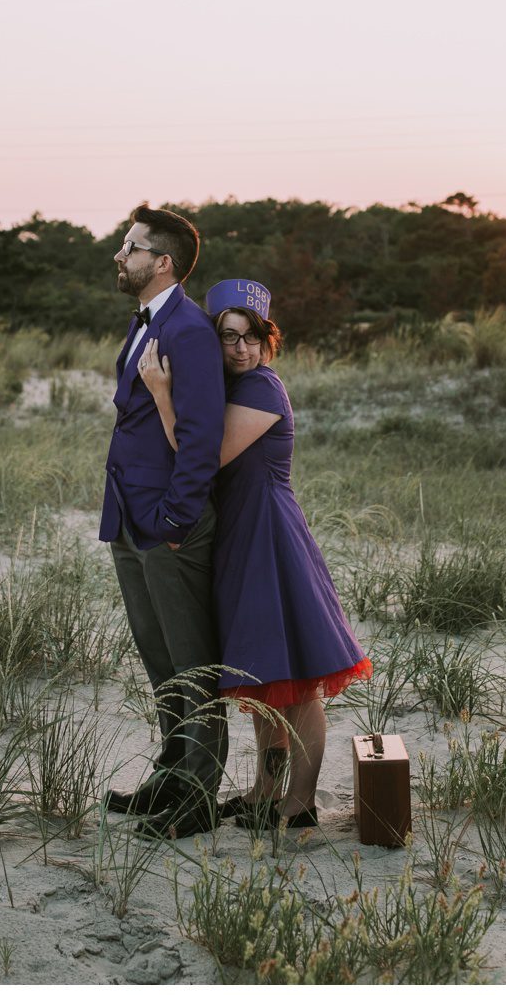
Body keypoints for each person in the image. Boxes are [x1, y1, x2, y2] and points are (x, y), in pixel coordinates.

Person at [137, 279, 370, 830]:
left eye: (251, 337)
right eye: (228, 337)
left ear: (267, 342)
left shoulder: (263, 388)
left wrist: (162, 394)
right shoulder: (235, 387)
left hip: (270, 537)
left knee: (298, 683)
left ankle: (300, 803)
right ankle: (266, 792)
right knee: (267, 676)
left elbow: (202, 456)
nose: (241, 348)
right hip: (242, 537)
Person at [97, 205, 230, 840]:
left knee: (192, 663)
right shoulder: (146, 320)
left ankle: (199, 797)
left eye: (131, 247)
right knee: (159, 658)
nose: (119, 256)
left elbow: (202, 438)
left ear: (163, 263)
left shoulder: (190, 330)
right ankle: (172, 774)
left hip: (169, 523)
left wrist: (175, 517)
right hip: (130, 517)